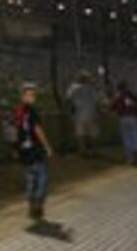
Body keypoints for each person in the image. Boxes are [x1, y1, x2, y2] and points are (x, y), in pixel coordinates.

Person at [12, 82, 57, 227]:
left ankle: (31, 205)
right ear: (22, 95)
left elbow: (12, 131)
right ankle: (37, 204)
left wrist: (14, 148)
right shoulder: (32, 111)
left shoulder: (16, 110)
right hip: (34, 149)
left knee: (30, 177)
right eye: (29, 94)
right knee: (42, 178)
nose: (33, 96)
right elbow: (38, 130)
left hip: (23, 151)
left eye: (33, 94)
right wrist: (48, 147)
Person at [66, 72, 102, 157]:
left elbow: (69, 99)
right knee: (92, 134)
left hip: (78, 114)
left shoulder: (73, 88)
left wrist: (70, 111)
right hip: (91, 114)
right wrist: (98, 112)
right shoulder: (91, 88)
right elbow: (97, 101)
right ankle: (92, 151)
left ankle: (82, 151)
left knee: (80, 134)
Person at [111, 81, 137, 166]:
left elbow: (112, 107)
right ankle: (136, 155)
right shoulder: (131, 94)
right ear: (126, 87)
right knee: (135, 136)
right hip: (133, 117)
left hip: (123, 117)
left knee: (126, 137)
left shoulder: (118, 96)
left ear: (119, 88)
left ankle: (130, 157)